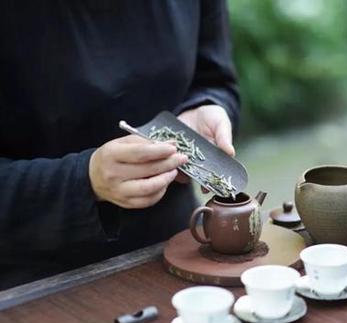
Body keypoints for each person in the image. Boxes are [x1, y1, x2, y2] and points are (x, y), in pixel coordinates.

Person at [0, 1, 239, 289]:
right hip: (37, 283)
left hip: (180, 245)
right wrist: (85, 179)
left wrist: (206, 108)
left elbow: (214, 79)